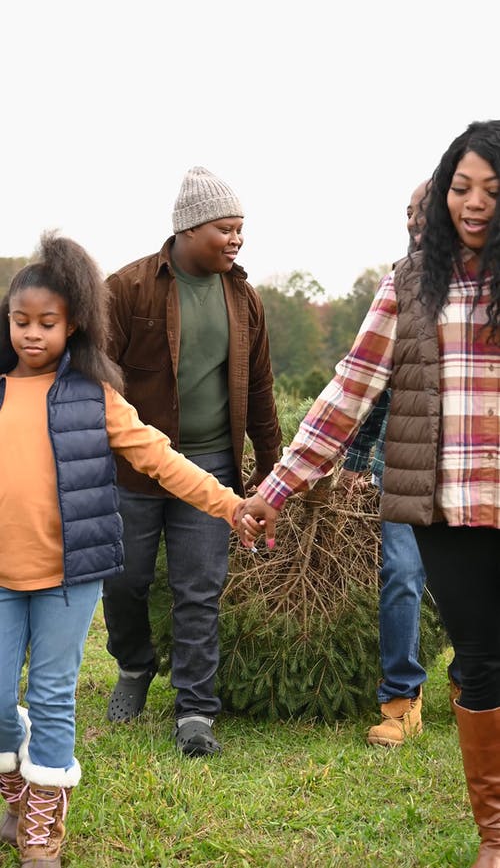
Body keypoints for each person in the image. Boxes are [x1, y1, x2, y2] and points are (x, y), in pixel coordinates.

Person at [238, 120, 500, 867]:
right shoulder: (412, 282)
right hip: (449, 508)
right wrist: (279, 487)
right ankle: (495, 836)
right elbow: (348, 393)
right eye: (460, 186)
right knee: (480, 661)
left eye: (491, 188)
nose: (473, 202)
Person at [0, 233, 252, 866]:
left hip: (69, 575)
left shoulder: (94, 396)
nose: (32, 334)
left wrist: (230, 503)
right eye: (20, 321)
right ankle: (12, 796)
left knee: (55, 692)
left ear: (74, 324)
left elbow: (162, 459)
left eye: (47, 323)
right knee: (1, 697)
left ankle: (41, 832)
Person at [102, 166, 281, 756]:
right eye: (225, 229)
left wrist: (270, 468)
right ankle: (133, 666)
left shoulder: (243, 297)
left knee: (198, 590)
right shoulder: (127, 289)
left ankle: (196, 710)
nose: (236, 239)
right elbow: (95, 383)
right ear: (187, 229)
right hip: (132, 469)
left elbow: (259, 387)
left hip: (211, 469)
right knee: (124, 581)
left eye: (240, 229)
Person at [339, 179, 461, 747]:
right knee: (402, 578)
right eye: (409, 212)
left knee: (469, 582)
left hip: (468, 468)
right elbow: (371, 385)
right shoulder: (398, 283)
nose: (415, 221)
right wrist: (356, 460)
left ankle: (471, 686)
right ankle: (400, 700)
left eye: (424, 211)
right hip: (405, 466)